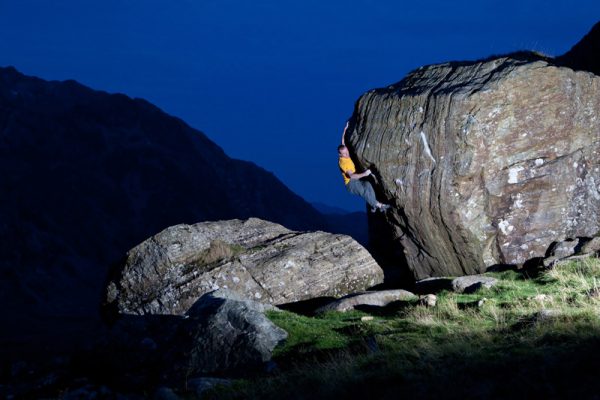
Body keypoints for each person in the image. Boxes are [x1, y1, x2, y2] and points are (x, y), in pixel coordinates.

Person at [338, 121, 390, 212]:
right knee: (364, 191)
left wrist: (345, 129)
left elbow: (342, 141)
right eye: (344, 154)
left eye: (347, 152)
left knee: (368, 185)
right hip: (350, 184)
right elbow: (352, 176)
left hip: (355, 180)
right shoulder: (343, 163)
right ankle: (380, 206)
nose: (347, 154)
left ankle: (373, 205)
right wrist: (365, 174)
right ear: (340, 155)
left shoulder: (344, 150)